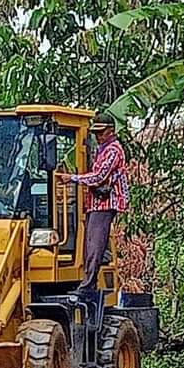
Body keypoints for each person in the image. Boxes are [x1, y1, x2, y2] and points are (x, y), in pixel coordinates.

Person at [58, 112, 129, 295]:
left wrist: (71, 178)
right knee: (91, 243)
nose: (98, 136)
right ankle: (88, 280)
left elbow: (99, 177)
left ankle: (88, 284)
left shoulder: (114, 150)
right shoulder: (101, 150)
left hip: (106, 203)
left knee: (95, 244)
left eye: (101, 132)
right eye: (96, 133)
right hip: (95, 203)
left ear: (111, 131)